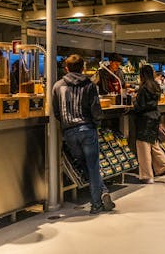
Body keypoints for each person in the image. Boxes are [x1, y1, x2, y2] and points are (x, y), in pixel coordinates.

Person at [52, 54, 115, 214]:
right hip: (87, 129)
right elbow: (96, 109)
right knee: (93, 167)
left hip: (69, 132)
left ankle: (102, 192)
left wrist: (66, 125)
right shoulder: (89, 85)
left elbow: (56, 111)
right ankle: (97, 204)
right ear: (83, 68)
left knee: (85, 166)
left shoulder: (57, 86)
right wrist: (96, 125)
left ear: (66, 68)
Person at [133, 65, 165, 184]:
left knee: (143, 147)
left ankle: (147, 176)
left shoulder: (143, 87)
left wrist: (134, 103)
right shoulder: (156, 85)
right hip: (155, 117)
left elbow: (140, 106)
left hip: (144, 119)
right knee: (154, 144)